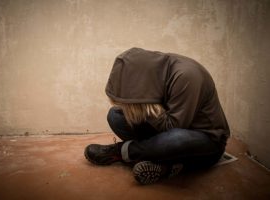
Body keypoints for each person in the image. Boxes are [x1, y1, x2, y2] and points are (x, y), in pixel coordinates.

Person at [84, 47, 230, 185]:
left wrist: (145, 106)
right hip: (166, 132)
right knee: (115, 115)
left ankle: (122, 151)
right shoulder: (153, 72)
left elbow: (173, 127)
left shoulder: (187, 75)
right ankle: (163, 163)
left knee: (176, 138)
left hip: (205, 142)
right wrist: (141, 105)